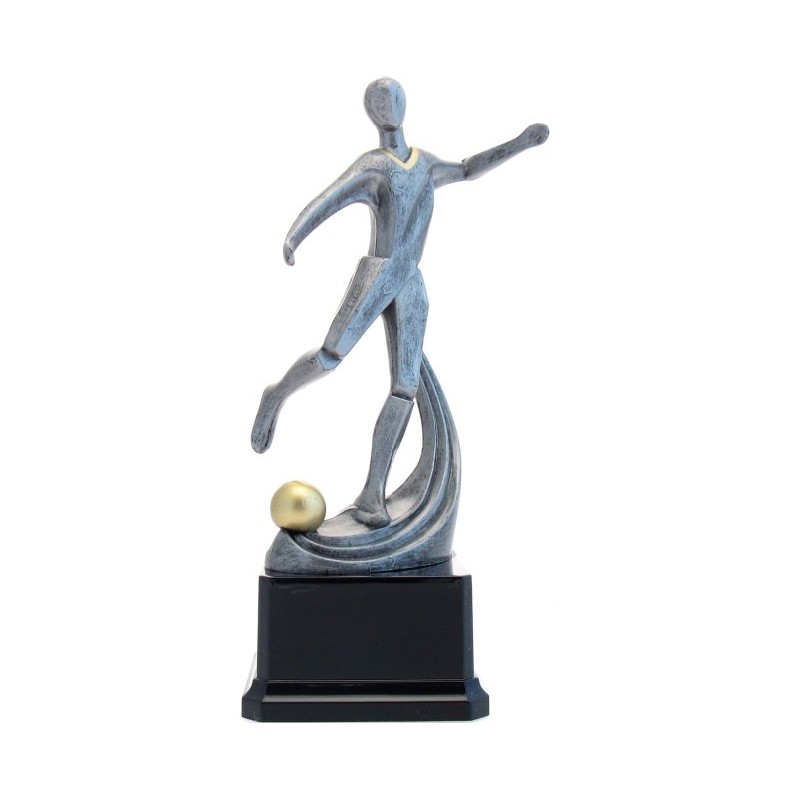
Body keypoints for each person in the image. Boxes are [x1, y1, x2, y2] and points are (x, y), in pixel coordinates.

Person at [252, 77, 549, 527]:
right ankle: (277, 394)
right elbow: (329, 199)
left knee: (404, 388)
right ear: (372, 113)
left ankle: (373, 494)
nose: (389, 106)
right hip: (378, 274)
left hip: (410, 280)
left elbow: (467, 168)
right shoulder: (374, 165)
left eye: (394, 98)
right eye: (380, 101)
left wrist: (520, 143)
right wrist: (294, 236)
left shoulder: (425, 163)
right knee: (331, 357)